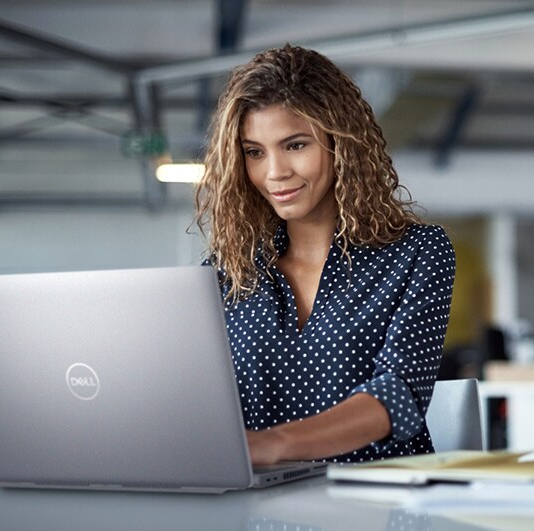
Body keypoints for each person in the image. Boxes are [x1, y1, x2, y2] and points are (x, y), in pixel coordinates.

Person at [193, 44, 455, 466]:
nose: (274, 172)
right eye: (254, 152)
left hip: (378, 506)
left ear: (341, 144)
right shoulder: (225, 276)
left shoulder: (418, 252)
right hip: (256, 508)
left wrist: (275, 444)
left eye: (295, 145)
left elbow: (398, 393)